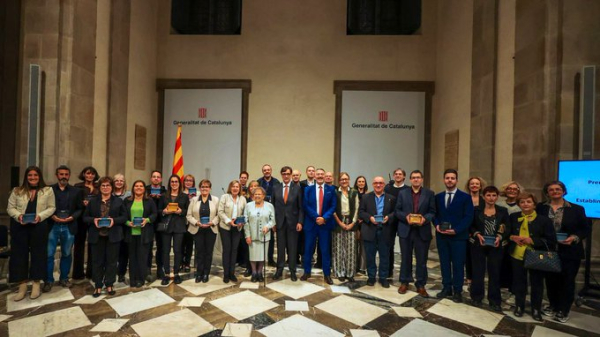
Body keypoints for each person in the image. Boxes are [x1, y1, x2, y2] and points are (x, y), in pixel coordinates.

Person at [537, 181, 591, 323]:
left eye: (558, 189)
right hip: (548, 250)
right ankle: (553, 305)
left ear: (563, 191)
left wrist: (574, 237)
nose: (555, 191)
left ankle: (563, 309)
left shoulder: (577, 209)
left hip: (570, 251)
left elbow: (585, 228)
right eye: (551, 190)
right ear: (547, 192)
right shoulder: (540, 208)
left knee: (567, 280)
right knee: (551, 280)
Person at [7, 166, 56, 301]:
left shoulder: (47, 190)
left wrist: (40, 216)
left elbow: (52, 207)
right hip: (20, 227)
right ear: (26, 177)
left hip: (38, 226)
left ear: (39, 176)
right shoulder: (17, 191)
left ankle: (36, 284)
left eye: (35, 175)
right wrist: (19, 216)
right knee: (19, 255)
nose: (33, 178)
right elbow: (10, 208)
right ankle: (22, 286)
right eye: (30, 175)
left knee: (38, 254)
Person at [509, 192, 556, 321]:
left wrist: (533, 240)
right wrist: (512, 237)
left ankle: (536, 309)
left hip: (536, 254)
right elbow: (507, 232)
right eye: (522, 202)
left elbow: (551, 240)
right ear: (519, 204)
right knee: (519, 282)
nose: (525, 204)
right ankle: (519, 306)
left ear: (534, 204)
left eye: (528, 202)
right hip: (517, 254)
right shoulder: (513, 217)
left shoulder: (543, 220)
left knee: (537, 283)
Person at [434, 169, 474, 303]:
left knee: (458, 264)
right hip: (442, 236)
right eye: (447, 178)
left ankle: (457, 291)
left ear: (456, 180)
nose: (449, 180)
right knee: (444, 263)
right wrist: (437, 225)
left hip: (458, 237)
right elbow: (435, 214)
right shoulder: (438, 197)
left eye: (452, 178)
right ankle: (446, 288)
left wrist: (456, 230)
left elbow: (468, 217)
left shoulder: (465, 197)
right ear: (444, 180)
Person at [83, 176, 127, 297]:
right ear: (100, 187)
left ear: (112, 187)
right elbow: (85, 217)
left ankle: (109, 283)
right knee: (97, 262)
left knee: (112, 262)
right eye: (103, 185)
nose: (106, 188)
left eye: (108, 185)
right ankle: (97, 285)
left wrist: (114, 220)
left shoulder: (118, 201)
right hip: (97, 236)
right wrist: (94, 220)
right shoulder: (93, 201)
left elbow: (124, 217)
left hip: (113, 236)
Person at [43, 165, 84, 293]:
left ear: (69, 176)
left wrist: (72, 217)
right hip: (52, 225)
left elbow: (80, 208)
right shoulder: (48, 189)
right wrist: (53, 216)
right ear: (57, 175)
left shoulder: (75, 191)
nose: (64, 177)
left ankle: (64, 278)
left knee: (66, 253)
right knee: (49, 254)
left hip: (69, 225)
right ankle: (48, 280)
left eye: (66, 174)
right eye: (61, 174)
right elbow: (43, 206)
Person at [395, 170, 435, 297]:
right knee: (405, 258)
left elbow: (432, 211)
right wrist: (405, 217)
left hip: (422, 231)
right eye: (413, 178)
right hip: (406, 230)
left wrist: (425, 219)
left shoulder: (429, 193)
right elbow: (397, 210)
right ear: (410, 180)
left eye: (418, 177)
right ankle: (404, 282)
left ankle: (421, 284)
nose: (416, 180)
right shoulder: (403, 193)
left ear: (422, 179)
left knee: (421, 260)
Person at [469, 186, 509, 311]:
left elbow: (507, 226)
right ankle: (476, 297)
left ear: (497, 197)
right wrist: (477, 234)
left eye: (494, 195)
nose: (491, 198)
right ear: (484, 196)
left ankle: (494, 300)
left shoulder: (503, 210)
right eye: (488, 195)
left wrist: (500, 236)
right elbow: (471, 225)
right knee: (478, 272)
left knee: (495, 272)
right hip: (479, 244)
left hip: (495, 246)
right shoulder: (476, 210)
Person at [358, 176, 396, 287]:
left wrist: (388, 217)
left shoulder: (391, 198)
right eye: (376, 183)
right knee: (370, 256)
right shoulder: (365, 197)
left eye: (380, 183)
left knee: (385, 256)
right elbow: (361, 212)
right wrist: (370, 218)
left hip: (385, 231)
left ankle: (383, 278)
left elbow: (395, 212)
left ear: (384, 185)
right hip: (370, 230)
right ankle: (371, 277)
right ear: (373, 184)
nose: (378, 185)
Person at [301, 168, 337, 284]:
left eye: (322, 174)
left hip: (325, 225)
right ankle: (307, 271)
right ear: (315, 176)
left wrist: (324, 218)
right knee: (308, 249)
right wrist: (316, 217)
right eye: (318, 174)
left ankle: (327, 274)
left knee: (325, 250)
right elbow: (305, 205)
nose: (320, 176)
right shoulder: (308, 189)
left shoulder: (331, 189)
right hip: (311, 224)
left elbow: (333, 206)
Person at [271, 166, 303, 281]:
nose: (286, 175)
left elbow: (301, 207)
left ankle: (292, 270)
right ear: (281, 174)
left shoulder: (297, 188)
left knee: (292, 248)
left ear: (290, 175)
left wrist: (300, 221)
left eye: (288, 174)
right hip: (279, 223)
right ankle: (279, 269)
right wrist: (273, 222)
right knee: (280, 247)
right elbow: (272, 207)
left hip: (293, 223)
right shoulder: (276, 188)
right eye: (284, 173)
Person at [124, 180, 158, 288]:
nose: (138, 188)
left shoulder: (149, 201)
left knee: (142, 257)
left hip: (144, 234)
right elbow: (123, 215)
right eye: (136, 186)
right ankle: (132, 278)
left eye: (141, 186)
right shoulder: (127, 201)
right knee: (132, 257)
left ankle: (140, 278)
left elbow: (154, 214)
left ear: (144, 189)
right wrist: (128, 223)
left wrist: (146, 220)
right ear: (133, 188)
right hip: (131, 233)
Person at [186, 179, 219, 283]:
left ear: (210, 188)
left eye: (207, 187)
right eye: (203, 187)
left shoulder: (215, 200)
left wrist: (212, 222)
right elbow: (189, 215)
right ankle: (199, 273)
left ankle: (206, 273)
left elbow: (219, 215)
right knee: (199, 252)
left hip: (211, 229)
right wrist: (196, 222)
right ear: (200, 188)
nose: (204, 189)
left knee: (208, 252)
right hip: (198, 229)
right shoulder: (194, 200)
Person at [158, 174, 189, 285]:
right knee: (165, 251)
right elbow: (158, 210)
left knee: (177, 251)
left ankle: (176, 273)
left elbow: (187, 211)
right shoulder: (163, 196)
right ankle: (166, 274)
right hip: (166, 226)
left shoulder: (184, 196)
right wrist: (164, 211)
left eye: (176, 182)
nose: (174, 184)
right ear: (169, 183)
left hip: (179, 227)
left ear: (179, 183)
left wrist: (181, 212)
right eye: (172, 182)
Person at [496, 180, 524, 291]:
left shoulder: (522, 205)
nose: (512, 191)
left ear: (518, 191)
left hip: (518, 240)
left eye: (514, 189)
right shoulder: (499, 205)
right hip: (502, 239)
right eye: (509, 188)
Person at [218, 180, 247, 283]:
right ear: (230, 188)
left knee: (234, 250)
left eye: (237, 187)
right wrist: (229, 221)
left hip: (237, 228)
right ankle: (226, 274)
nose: (235, 188)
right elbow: (220, 212)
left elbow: (245, 213)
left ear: (240, 189)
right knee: (227, 250)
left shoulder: (243, 199)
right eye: (233, 186)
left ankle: (232, 273)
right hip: (225, 227)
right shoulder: (224, 197)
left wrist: (241, 222)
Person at [73, 166, 99, 281]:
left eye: (92, 174)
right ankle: (78, 273)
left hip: (94, 217)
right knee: (79, 244)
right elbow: (74, 201)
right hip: (81, 217)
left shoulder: (98, 186)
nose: (90, 176)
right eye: (88, 173)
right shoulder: (77, 186)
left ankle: (91, 272)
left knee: (93, 244)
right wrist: (81, 202)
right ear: (83, 174)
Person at [243, 187, 275, 282]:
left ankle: (260, 273)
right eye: (255, 194)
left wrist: (268, 226)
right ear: (253, 196)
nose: (257, 196)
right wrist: (247, 235)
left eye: (259, 194)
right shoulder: (248, 205)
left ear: (263, 196)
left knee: (262, 255)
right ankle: (254, 273)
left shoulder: (269, 206)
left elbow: (272, 220)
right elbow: (246, 221)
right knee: (253, 255)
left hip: (264, 235)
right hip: (252, 235)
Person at [332, 172, 359, 282]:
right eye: (342, 179)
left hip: (351, 221)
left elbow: (357, 208)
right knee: (338, 248)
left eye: (346, 179)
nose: (344, 181)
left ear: (349, 180)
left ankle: (350, 273)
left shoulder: (354, 192)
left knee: (350, 248)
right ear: (339, 181)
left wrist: (352, 223)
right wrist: (340, 223)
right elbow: (333, 210)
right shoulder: (335, 192)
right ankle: (340, 272)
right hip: (338, 221)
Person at [384, 168, 409, 279]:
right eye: (396, 174)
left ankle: (407, 274)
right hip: (390, 220)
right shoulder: (387, 188)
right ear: (393, 176)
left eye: (400, 174)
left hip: (404, 221)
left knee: (406, 248)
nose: (398, 176)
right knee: (389, 246)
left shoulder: (408, 189)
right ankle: (389, 270)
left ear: (404, 177)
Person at [464, 176, 487, 289]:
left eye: (477, 184)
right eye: (472, 183)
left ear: (480, 186)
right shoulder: (464, 198)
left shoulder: (484, 200)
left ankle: (477, 280)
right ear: (468, 186)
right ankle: (469, 279)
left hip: (480, 233)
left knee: (477, 257)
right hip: (465, 231)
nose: (474, 185)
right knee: (467, 256)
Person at [257, 164, 280, 265]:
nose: (267, 171)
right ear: (263, 172)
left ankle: (270, 259)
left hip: (272, 210)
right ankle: (259, 259)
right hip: (260, 210)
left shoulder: (276, 182)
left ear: (271, 171)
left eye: (268, 170)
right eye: (265, 170)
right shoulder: (259, 182)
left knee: (270, 238)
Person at [146, 170, 166, 281]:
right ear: (151, 178)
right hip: (148, 221)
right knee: (148, 246)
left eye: (158, 177)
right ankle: (147, 268)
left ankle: (160, 268)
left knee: (161, 246)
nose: (156, 178)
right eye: (154, 176)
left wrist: (161, 198)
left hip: (161, 221)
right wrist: (149, 197)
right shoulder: (146, 190)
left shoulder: (164, 191)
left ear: (161, 179)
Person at [113, 173, 131, 283]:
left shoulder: (129, 194)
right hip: (113, 226)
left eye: (121, 180)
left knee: (124, 252)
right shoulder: (109, 194)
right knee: (113, 252)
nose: (119, 182)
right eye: (116, 180)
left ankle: (121, 273)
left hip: (126, 227)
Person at [181, 174, 196, 273]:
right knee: (181, 243)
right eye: (186, 180)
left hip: (192, 222)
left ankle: (187, 263)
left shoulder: (197, 194)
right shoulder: (180, 193)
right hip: (181, 222)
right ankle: (180, 262)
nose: (188, 182)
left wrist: (192, 198)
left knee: (189, 243)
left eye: (190, 181)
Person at [354, 175, 369, 274]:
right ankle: (354, 266)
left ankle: (362, 267)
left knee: (363, 246)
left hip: (364, 223)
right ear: (356, 183)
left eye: (363, 181)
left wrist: (363, 219)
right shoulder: (352, 193)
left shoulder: (369, 195)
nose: (361, 183)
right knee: (354, 245)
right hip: (354, 223)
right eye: (359, 181)